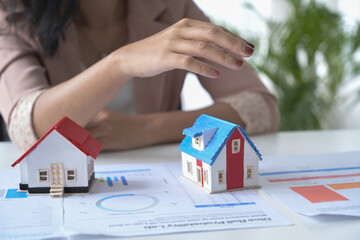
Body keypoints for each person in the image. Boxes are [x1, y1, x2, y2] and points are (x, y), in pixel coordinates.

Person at [0, 0, 279, 151]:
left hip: (159, 188)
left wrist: (146, 129)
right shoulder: (12, 14)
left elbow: (260, 107)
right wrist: (120, 63)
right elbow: (27, 127)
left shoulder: (171, 7)